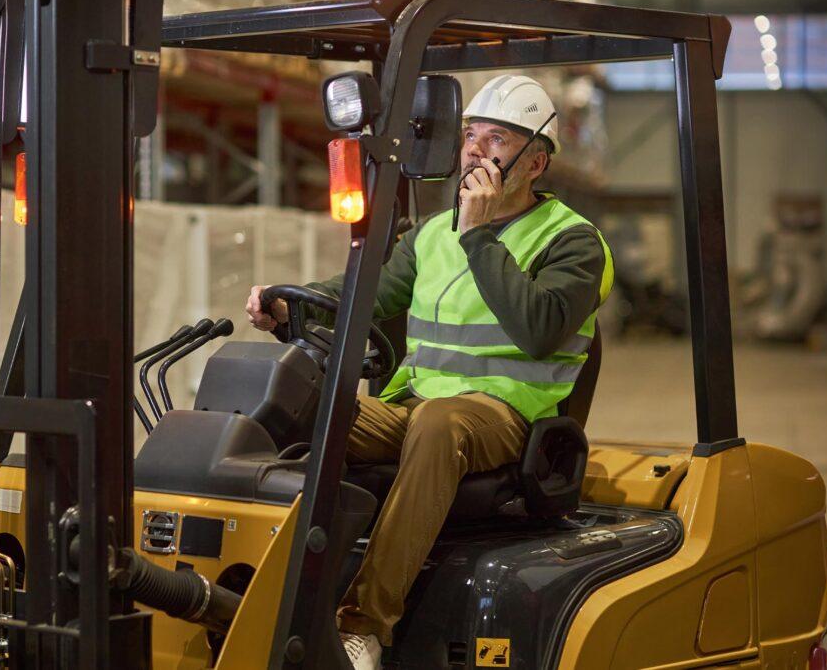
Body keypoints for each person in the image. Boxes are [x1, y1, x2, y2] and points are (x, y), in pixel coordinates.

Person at [245, 74, 614, 670]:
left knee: (440, 425)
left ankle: (364, 624)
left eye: (496, 138)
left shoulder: (573, 241)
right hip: (416, 405)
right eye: (471, 135)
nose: (475, 148)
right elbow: (370, 293)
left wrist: (479, 235)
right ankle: (264, 588)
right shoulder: (430, 236)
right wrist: (294, 302)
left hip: (507, 415)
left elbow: (540, 328)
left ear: (536, 160)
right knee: (293, 403)